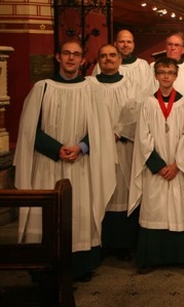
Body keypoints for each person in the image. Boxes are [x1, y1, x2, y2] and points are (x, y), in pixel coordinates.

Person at [15, 40, 116, 282]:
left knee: (79, 210)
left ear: (83, 60)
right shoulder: (43, 88)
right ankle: (45, 265)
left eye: (77, 54)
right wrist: (57, 148)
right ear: (58, 57)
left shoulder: (92, 90)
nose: (71, 58)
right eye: (67, 53)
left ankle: (80, 266)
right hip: (48, 164)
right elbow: (29, 130)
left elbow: (102, 129)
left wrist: (81, 147)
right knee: (49, 214)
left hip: (80, 165)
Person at [129, 57, 184, 274]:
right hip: (157, 171)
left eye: (170, 72)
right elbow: (143, 137)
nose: (166, 76)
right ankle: (151, 259)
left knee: (180, 209)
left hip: (178, 169)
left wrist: (177, 165)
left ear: (176, 76)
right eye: (162, 72)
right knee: (155, 209)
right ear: (156, 75)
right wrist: (159, 165)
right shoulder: (148, 104)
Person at [89, 44, 141, 262]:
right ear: (98, 61)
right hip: (95, 148)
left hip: (123, 147)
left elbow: (136, 111)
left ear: (120, 60)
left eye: (112, 55)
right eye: (103, 56)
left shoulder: (131, 85)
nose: (108, 59)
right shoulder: (88, 85)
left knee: (122, 191)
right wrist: (99, 137)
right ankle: (99, 242)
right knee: (98, 191)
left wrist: (117, 134)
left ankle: (123, 244)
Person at [92, 29, 155, 96]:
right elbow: (95, 89)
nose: (125, 45)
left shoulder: (143, 65)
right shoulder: (104, 65)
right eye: (122, 42)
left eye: (129, 42)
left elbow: (149, 92)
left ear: (133, 45)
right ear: (115, 44)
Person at [153, 32, 184, 107]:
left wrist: (180, 107)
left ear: (183, 49)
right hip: (158, 108)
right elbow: (151, 89)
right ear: (166, 47)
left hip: (182, 109)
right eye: (170, 44)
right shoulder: (154, 66)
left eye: (177, 45)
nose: (173, 48)